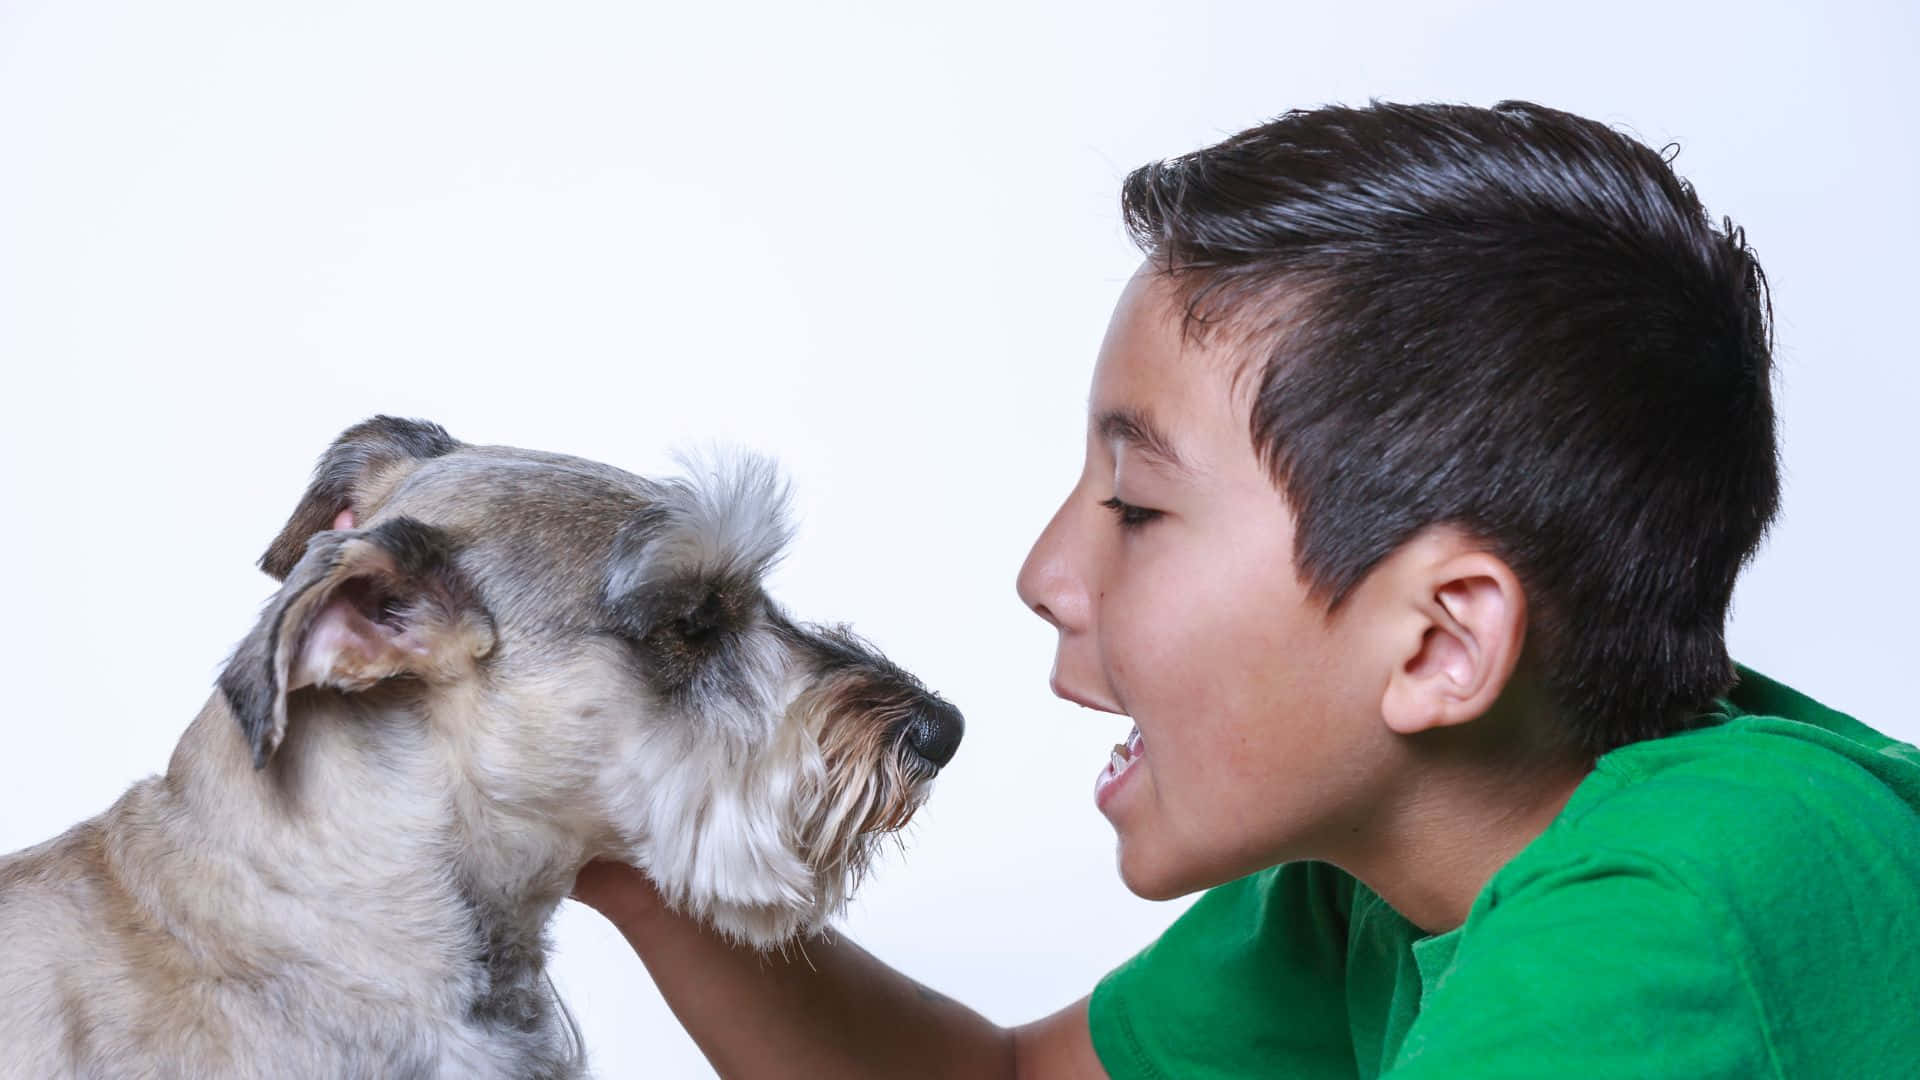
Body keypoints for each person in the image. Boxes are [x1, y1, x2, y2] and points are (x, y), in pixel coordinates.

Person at [570, 100, 1920, 1077]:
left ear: (1442, 644)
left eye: (1137, 506)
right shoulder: (1383, 871)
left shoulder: (1670, 919)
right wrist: (630, 862)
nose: (1045, 574)